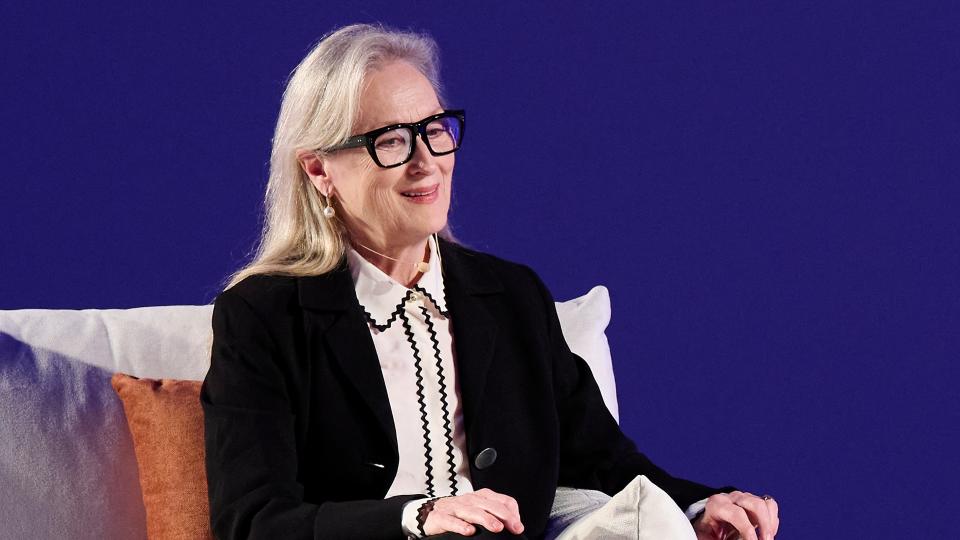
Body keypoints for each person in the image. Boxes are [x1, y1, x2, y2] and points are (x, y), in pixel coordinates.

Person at [201, 23, 780, 540]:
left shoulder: (511, 297)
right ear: (319, 169)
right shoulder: (263, 315)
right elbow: (253, 520)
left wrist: (700, 507)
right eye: (392, 141)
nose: (426, 161)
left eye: (434, 129)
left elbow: (604, 461)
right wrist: (416, 518)